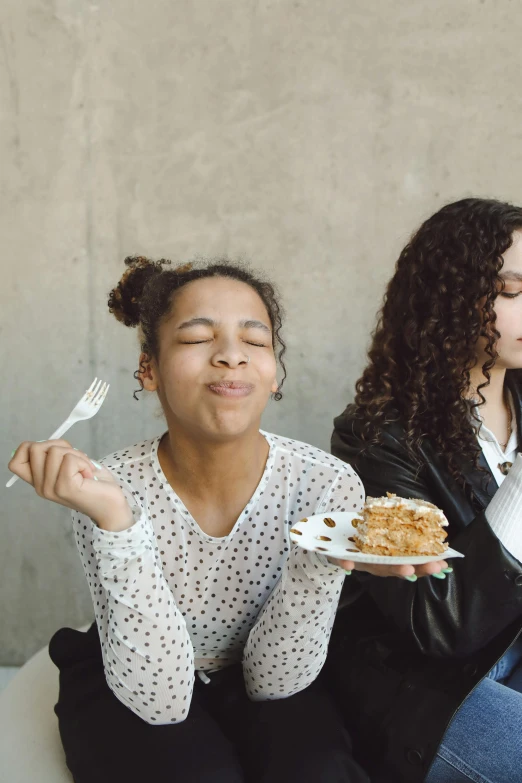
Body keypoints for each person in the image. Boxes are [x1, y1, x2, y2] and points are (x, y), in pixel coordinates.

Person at [9, 257, 441, 783]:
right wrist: (116, 522)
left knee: (319, 771)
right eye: (196, 339)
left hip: (266, 667)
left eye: (255, 342)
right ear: (149, 368)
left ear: (274, 371)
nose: (232, 356)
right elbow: (161, 702)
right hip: (135, 671)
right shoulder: (105, 488)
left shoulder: (325, 485)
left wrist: (318, 565)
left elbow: (275, 682)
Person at [328, 198, 522, 783]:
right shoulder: (377, 435)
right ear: (450, 296)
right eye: (513, 291)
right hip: (434, 696)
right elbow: (439, 624)